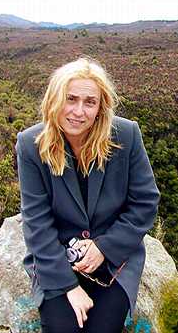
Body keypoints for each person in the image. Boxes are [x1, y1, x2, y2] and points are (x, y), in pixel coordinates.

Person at [16, 57, 160, 333]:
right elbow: (36, 220)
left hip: (113, 259)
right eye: (70, 99)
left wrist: (104, 247)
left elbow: (145, 202)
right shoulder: (30, 144)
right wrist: (68, 285)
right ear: (54, 99)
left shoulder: (126, 135)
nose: (78, 112)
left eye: (89, 102)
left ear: (100, 107)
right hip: (57, 258)